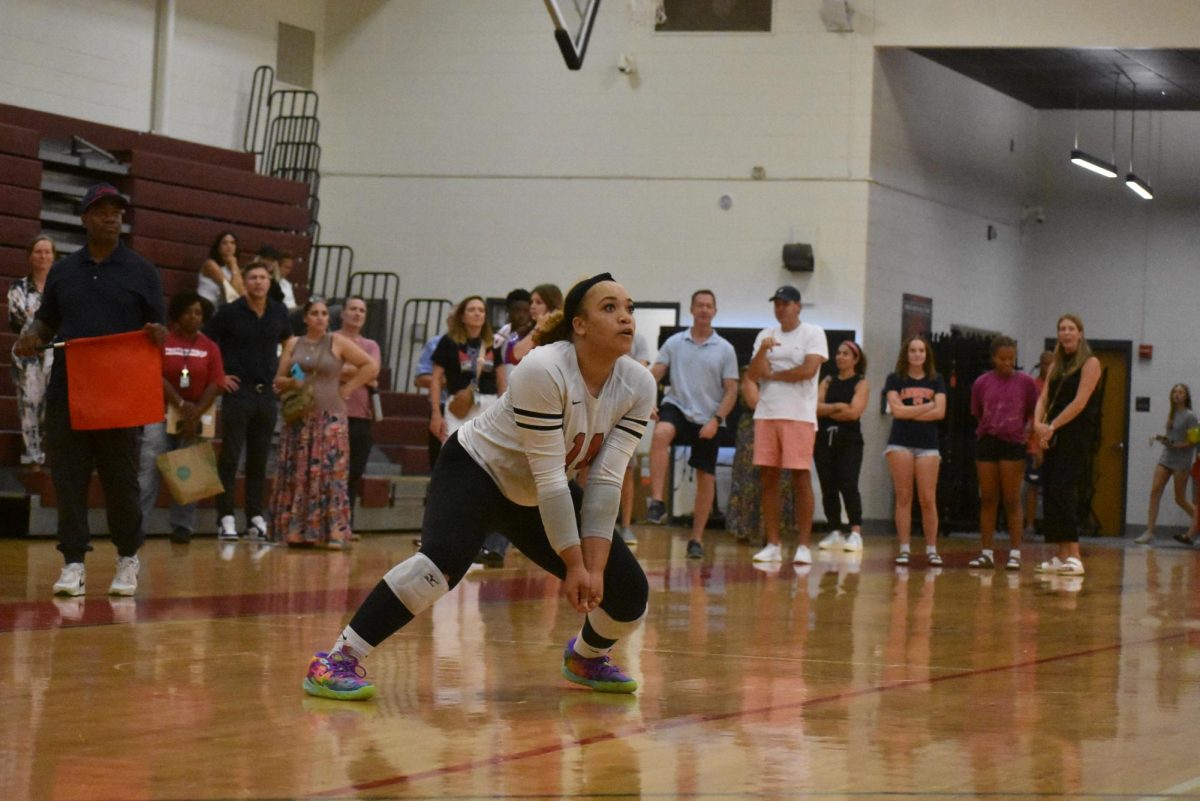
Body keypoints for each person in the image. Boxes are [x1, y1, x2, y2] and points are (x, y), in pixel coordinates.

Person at [302, 273, 655, 701]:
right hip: (476, 469)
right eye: (610, 308)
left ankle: (585, 657)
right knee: (440, 565)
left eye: (630, 308)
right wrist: (575, 564)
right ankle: (335, 660)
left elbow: (604, 480)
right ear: (579, 325)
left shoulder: (638, 384)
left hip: (534, 494)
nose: (626, 318)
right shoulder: (544, 368)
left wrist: (594, 568)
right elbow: (548, 478)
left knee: (629, 592)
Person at [15, 183, 166, 597]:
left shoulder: (142, 272)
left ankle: (127, 558)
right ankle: (73, 563)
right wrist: (31, 334)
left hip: (121, 395)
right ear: (84, 218)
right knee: (69, 480)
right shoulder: (64, 271)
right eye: (101, 211)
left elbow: (160, 329)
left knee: (121, 483)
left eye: (117, 211)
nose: (111, 217)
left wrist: (156, 333)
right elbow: (46, 321)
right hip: (69, 390)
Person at [271, 299, 379, 548]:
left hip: (330, 417)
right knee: (298, 473)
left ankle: (334, 532)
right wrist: (294, 382)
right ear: (305, 318)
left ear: (329, 320)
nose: (320, 317)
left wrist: (349, 388)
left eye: (323, 314)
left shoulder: (337, 342)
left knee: (330, 474)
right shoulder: (292, 343)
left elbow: (370, 366)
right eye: (314, 314)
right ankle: (296, 531)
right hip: (299, 417)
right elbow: (280, 377)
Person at [203, 261, 294, 541]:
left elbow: (290, 343)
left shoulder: (279, 311)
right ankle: (226, 517)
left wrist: (285, 374)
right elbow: (206, 342)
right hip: (237, 391)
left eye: (263, 277)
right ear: (245, 281)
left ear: (270, 282)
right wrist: (219, 375)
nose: (258, 282)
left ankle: (254, 515)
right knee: (230, 457)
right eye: (252, 277)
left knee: (259, 458)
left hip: (266, 393)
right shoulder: (230, 311)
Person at [645, 289, 738, 560]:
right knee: (661, 432)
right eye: (700, 305)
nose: (704, 310)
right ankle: (658, 501)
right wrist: (645, 401)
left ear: (715, 311)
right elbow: (654, 375)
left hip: (708, 417)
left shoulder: (725, 349)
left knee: (705, 477)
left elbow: (732, 390)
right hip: (678, 407)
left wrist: (717, 420)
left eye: (709, 306)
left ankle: (696, 538)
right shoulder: (675, 343)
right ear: (692, 309)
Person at [745, 285, 827, 565]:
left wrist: (775, 374)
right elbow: (754, 374)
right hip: (767, 413)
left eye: (786, 303)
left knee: (799, 476)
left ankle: (803, 545)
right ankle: (773, 544)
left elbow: (809, 370)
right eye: (777, 303)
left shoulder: (813, 333)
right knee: (769, 477)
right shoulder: (765, 336)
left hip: (799, 415)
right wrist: (762, 354)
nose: (780, 308)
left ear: (798, 306)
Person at [137, 291, 225, 544]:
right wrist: (181, 402)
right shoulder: (164, 341)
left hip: (196, 413)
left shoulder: (210, 347)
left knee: (188, 470)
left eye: (198, 313)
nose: (193, 316)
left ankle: (183, 527)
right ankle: (136, 526)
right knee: (148, 469)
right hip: (161, 410)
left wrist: (195, 411)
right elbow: (155, 373)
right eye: (188, 312)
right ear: (177, 315)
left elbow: (217, 381)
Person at [1033, 313, 1102, 576]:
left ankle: (1075, 554)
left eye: (1071, 328)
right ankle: (1061, 555)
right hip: (1052, 435)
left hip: (1075, 435)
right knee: (1051, 490)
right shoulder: (1056, 363)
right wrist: (1038, 423)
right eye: (1062, 328)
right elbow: (1043, 397)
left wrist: (1052, 426)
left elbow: (1080, 402)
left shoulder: (1090, 362)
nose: (1066, 333)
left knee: (1065, 490)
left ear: (1080, 333)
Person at [967, 336, 1039, 570]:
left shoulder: (1026, 383)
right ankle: (986, 552)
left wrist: (1032, 442)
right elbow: (978, 412)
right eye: (1002, 358)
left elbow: (1033, 414)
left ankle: (1015, 553)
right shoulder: (981, 383)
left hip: (1013, 443)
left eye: (1011, 358)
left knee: (1011, 499)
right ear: (993, 358)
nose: (1008, 363)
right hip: (988, 442)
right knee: (988, 499)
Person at [884, 335, 946, 568]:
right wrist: (928, 405)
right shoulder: (894, 379)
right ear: (906, 354)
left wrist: (910, 409)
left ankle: (931, 549)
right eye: (913, 350)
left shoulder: (936, 379)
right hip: (900, 441)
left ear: (926, 354)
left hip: (928, 444)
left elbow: (940, 413)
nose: (917, 354)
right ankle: (904, 549)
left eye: (921, 350)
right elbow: (897, 412)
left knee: (928, 498)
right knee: (903, 496)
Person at [814, 340, 869, 553]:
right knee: (828, 486)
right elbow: (815, 408)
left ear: (855, 359)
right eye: (838, 353)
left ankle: (855, 531)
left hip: (850, 441)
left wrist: (828, 410)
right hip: (824, 439)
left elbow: (854, 412)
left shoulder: (861, 383)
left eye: (846, 354)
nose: (840, 357)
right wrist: (837, 406)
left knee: (848, 483)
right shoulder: (827, 381)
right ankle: (834, 529)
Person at [428, 295, 507, 443]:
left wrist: (504, 410)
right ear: (462, 317)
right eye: (471, 310)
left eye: (481, 310)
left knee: (486, 457)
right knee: (454, 452)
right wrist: (436, 413)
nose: (477, 313)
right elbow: (436, 380)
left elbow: (501, 379)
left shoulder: (492, 343)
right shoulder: (448, 342)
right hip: (459, 404)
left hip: (488, 405)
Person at [8, 235, 56, 467]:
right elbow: (18, 319)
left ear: (54, 256)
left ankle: (51, 454)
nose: (43, 256)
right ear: (30, 256)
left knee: (52, 404)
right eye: (38, 252)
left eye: (47, 252)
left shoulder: (59, 287)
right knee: (29, 403)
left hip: (54, 352)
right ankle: (32, 457)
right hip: (28, 354)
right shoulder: (18, 287)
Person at [336, 296, 382, 516]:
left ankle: (347, 521)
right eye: (352, 309)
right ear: (343, 313)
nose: (357, 314)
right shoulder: (331, 340)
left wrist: (345, 370)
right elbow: (325, 369)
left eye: (361, 310)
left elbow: (374, 371)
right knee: (332, 470)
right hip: (333, 413)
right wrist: (364, 372)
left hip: (361, 415)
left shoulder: (370, 345)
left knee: (354, 471)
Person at [1139, 385, 1197, 545]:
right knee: (1155, 491)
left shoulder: (1191, 416)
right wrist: (1160, 438)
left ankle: (1196, 522)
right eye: (1174, 392)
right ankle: (1150, 531)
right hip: (1167, 457)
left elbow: (1194, 441)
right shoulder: (1172, 414)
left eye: (1180, 392)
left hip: (1182, 460)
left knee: (1180, 498)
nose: (1176, 395)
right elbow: (1172, 437)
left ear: (1186, 397)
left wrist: (1176, 446)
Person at [616, 333, 652, 545]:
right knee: (587, 467)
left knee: (626, 469)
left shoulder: (638, 340)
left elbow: (641, 372)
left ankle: (626, 525)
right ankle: (586, 525)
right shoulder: (597, 336)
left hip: (626, 410)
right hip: (597, 405)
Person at [1024, 350, 1054, 539]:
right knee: (1033, 486)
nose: (1047, 367)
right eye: (1044, 363)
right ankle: (1030, 525)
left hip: (1055, 442)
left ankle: (1052, 525)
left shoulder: (1059, 385)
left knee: (1053, 487)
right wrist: (1034, 446)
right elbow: (1032, 418)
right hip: (1035, 444)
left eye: (1051, 364)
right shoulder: (1033, 386)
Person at [508, 283, 563, 364]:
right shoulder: (524, 330)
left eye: (538, 302)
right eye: (532, 302)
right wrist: (538, 327)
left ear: (552, 306)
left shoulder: (561, 330)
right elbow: (514, 356)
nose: (532, 306)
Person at [197, 231, 243, 308]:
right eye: (224, 243)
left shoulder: (234, 269)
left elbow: (241, 294)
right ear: (218, 248)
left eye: (232, 243)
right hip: (204, 307)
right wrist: (234, 265)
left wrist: (234, 266)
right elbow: (231, 292)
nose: (229, 246)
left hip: (220, 310)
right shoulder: (210, 264)